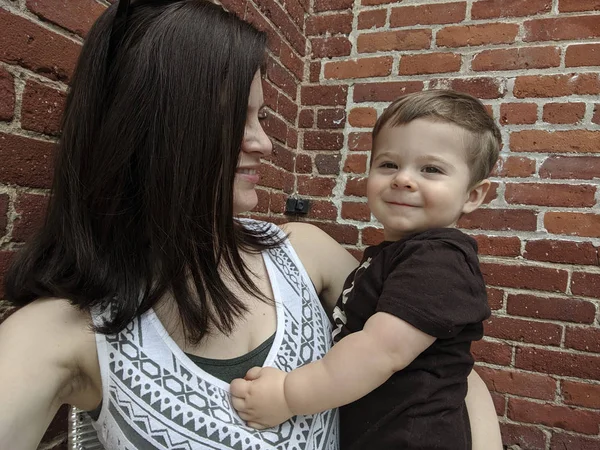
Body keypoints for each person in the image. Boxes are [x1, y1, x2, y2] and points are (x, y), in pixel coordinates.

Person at [0, 0, 502, 448]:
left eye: (260, 119)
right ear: (155, 132)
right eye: (239, 120)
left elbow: (441, 362)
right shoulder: (60, 335)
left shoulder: (304, 251)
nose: (263, 143)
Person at [231, 90, 502, 450]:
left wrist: (286, 395)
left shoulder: (440, 260)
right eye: (389, 164)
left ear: (473, 196)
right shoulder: (398, 254)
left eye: (431, 169)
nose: (403, 179)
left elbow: (379, 351)